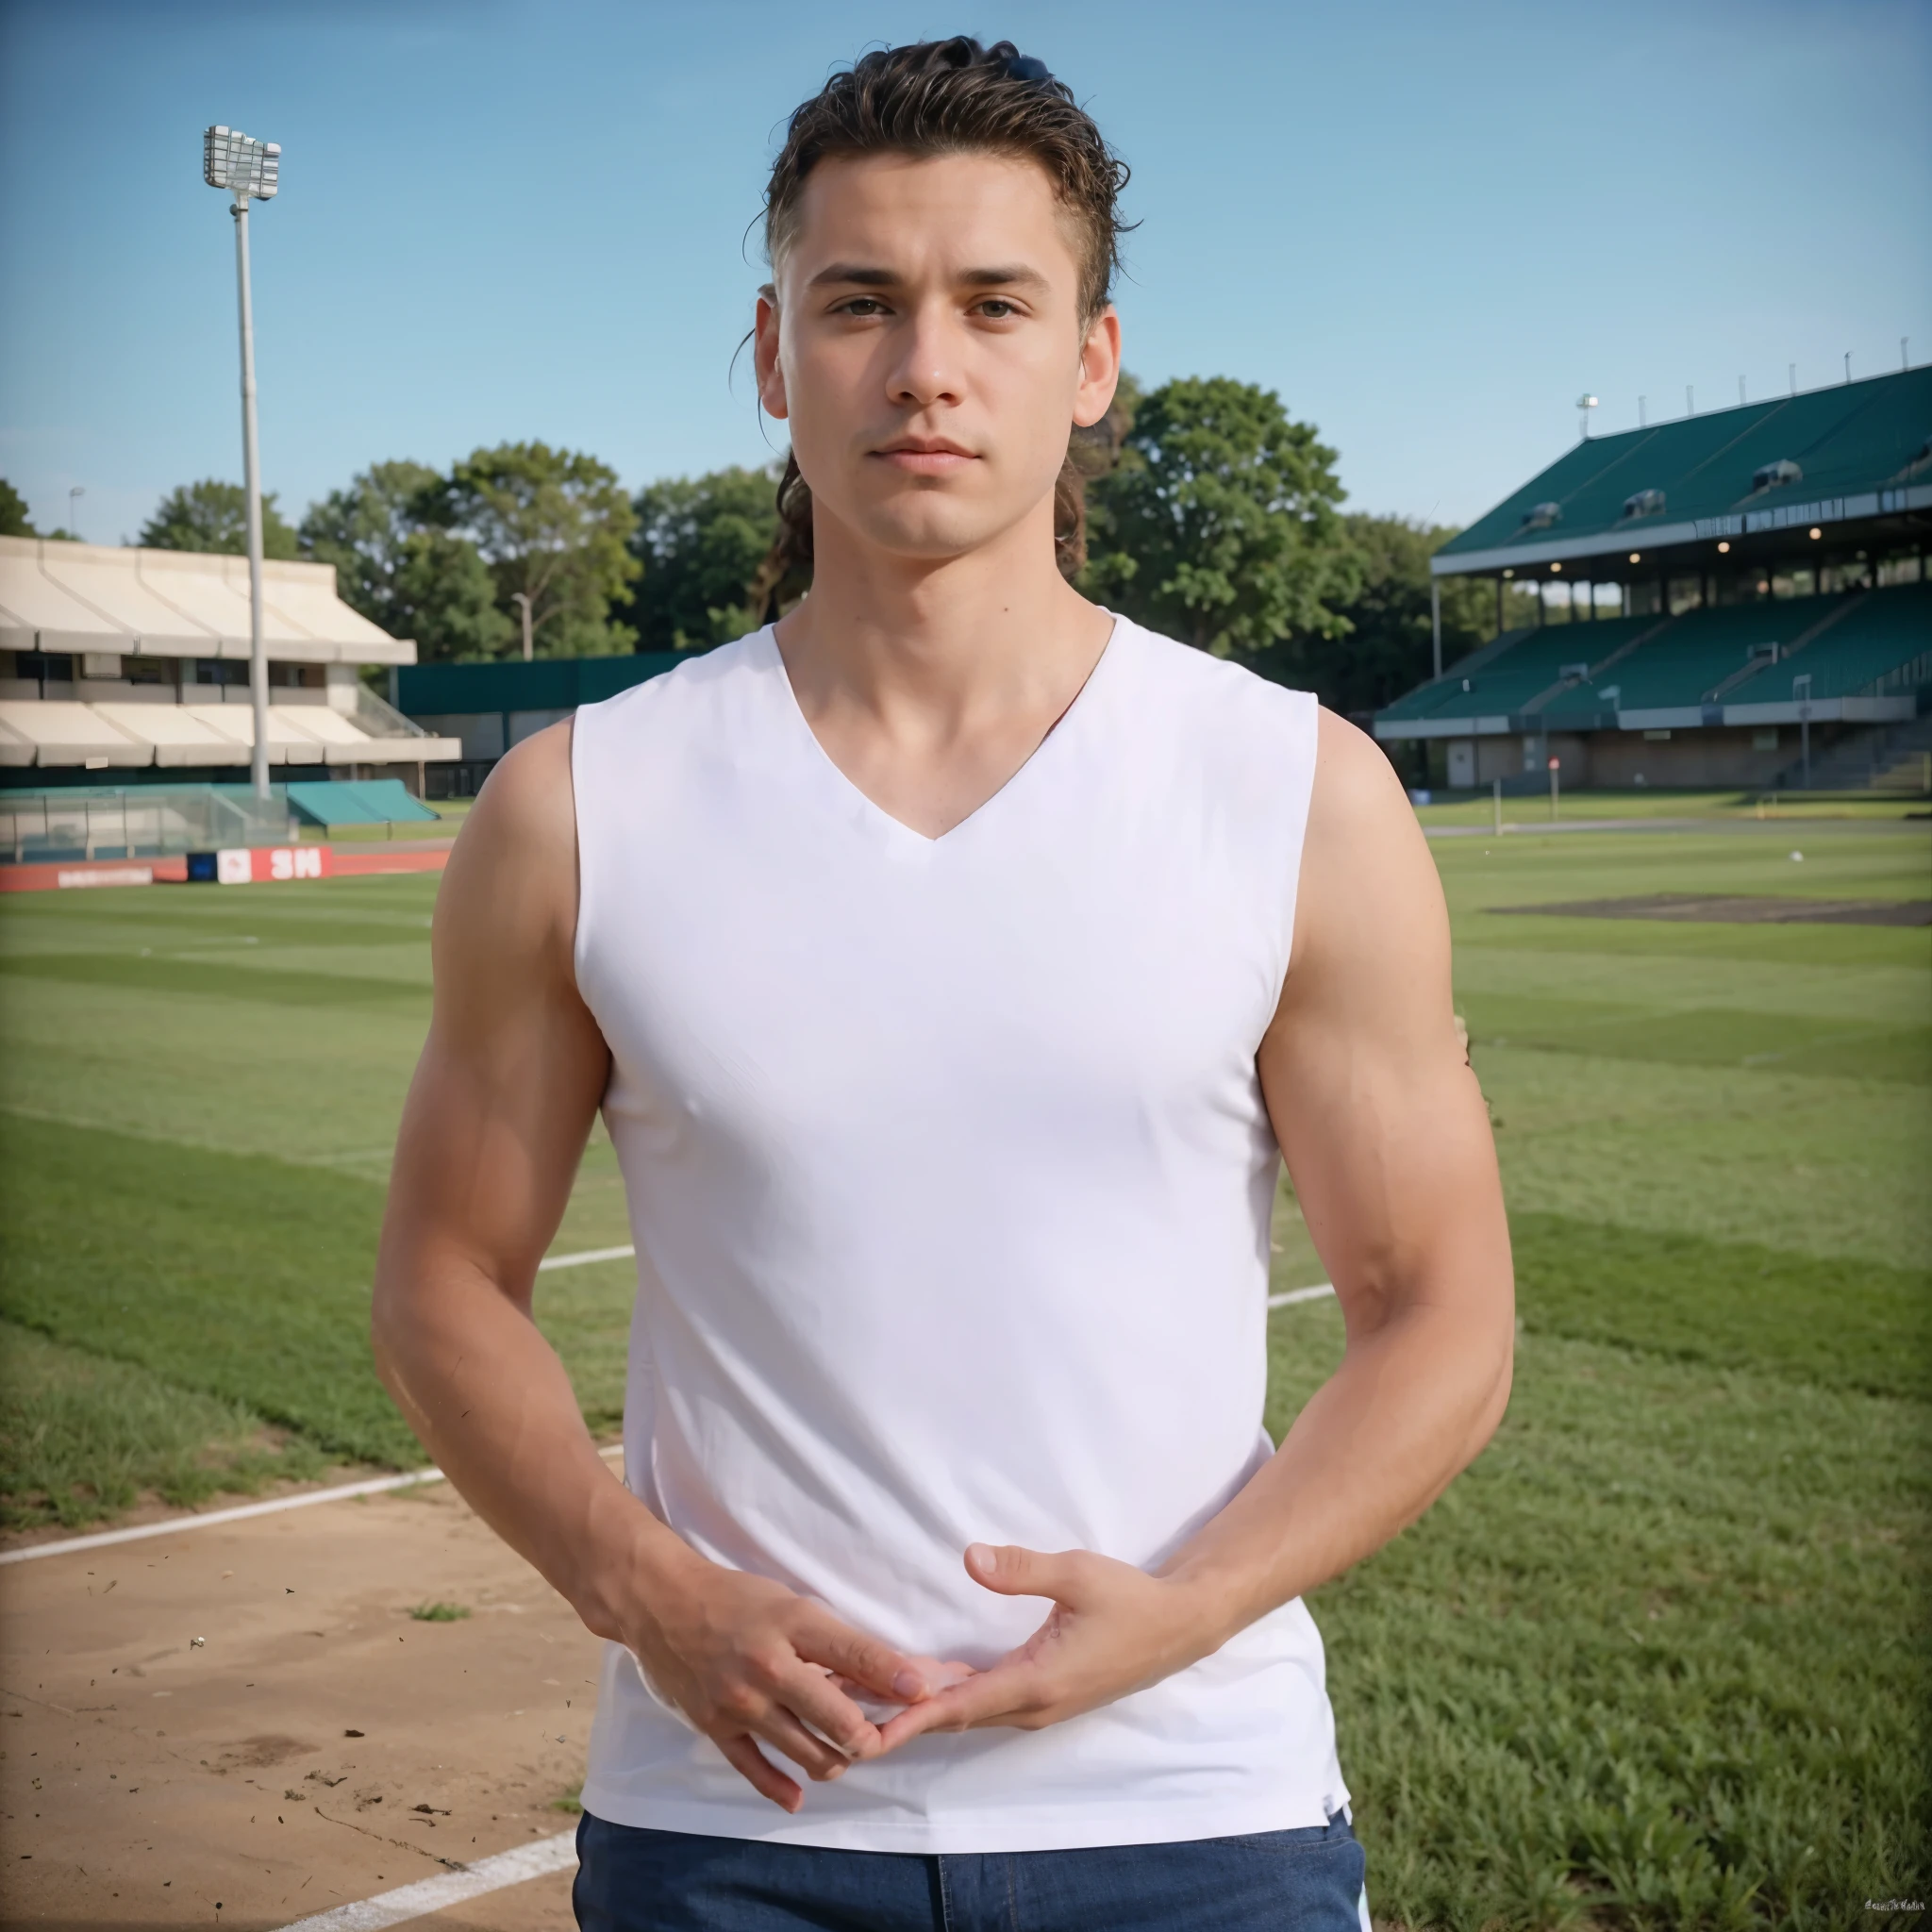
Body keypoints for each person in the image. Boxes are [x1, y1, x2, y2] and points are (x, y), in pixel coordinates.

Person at [372, 36, 1514, 1932]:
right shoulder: (580, 806)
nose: (924, 365)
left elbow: (1439, 1312)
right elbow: (438, 1282)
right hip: (734, 1830)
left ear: (1088, 360)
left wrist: (1188, 1612)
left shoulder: (1290, 787)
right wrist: (646, 1592)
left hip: (1194, 1815)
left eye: (994, 303)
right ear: (770, 353)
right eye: (859, 303)